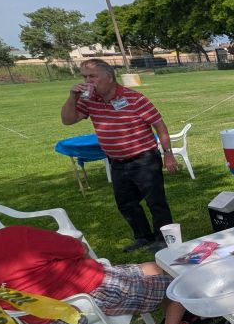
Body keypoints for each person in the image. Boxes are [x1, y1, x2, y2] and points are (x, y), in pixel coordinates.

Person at [0, 188, 190, 324]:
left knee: (154, 267)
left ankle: (173, 323)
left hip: (35, 319)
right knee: (179, 281)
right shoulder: (16, 237)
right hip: (87, 299)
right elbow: (79, 248)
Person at [61, 59, 177, 253]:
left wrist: (168, 154)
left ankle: (163, 239)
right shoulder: (90, 100)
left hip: (144, 159)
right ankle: (143, 237)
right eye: (85, 77)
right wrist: (73, 97)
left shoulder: (134, 98)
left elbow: (159, 125)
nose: (88, 81)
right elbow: (67, 120)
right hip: (117, 161)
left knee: (155, 201)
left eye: (93, 76)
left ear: (109, 77)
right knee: (126, 203)